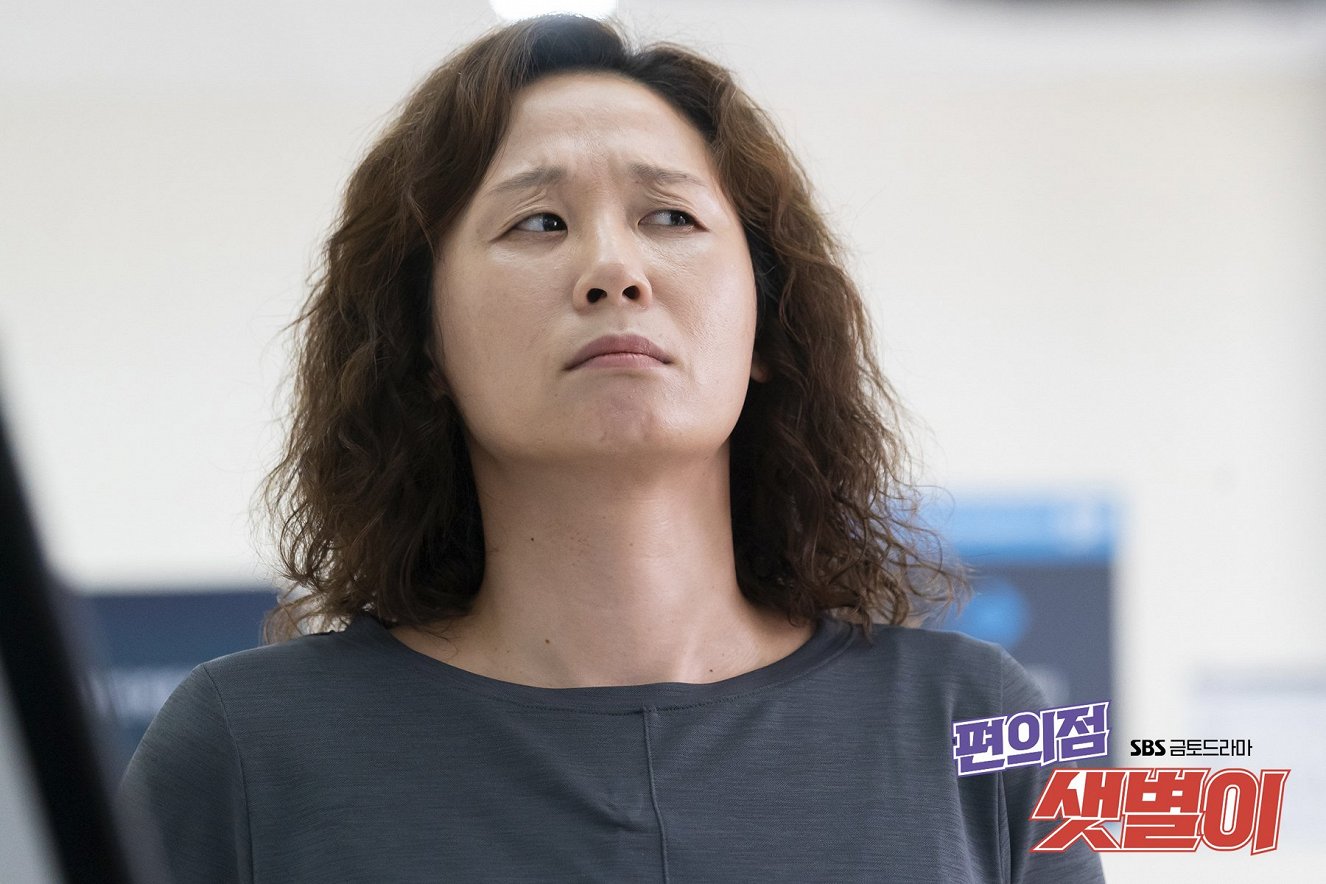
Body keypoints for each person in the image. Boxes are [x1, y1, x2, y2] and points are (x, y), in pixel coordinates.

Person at [120, 14, 1105, 883]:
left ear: (767, 325)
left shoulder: (981, 722)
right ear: (422, 344)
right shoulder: (241, 749)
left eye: (670, 216)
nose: (612, 268)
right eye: (538, 222)